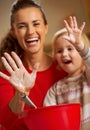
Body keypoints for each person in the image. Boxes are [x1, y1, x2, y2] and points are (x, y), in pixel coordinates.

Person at [0, 0, 67, 129]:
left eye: (36, 24)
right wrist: (21, 94)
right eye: (22, 26)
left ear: (46, 27)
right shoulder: (8, 74)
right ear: (13, 32)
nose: (30, 31)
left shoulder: (64, 67)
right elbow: (6, 121)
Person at [43, 16, 90, 130]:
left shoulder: (87, 76)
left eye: (70, 48)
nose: (64, 54)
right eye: (59, 51)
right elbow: (49, 116)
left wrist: (81, 47)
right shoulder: (56, 89)